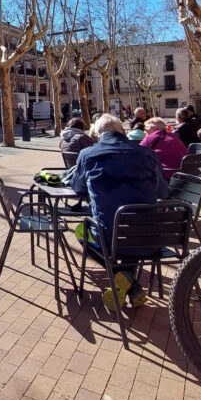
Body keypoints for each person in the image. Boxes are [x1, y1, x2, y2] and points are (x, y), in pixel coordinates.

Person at [71, 114, 167, 311]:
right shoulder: (147, 153)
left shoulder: (88, 154)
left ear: (97, 134)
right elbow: (163, 192)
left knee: (82, 231)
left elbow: (77, 188)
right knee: (131, 232)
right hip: (149, 237)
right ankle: (129, 281)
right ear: (122, 131)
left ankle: (121, 276)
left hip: (108, 236)